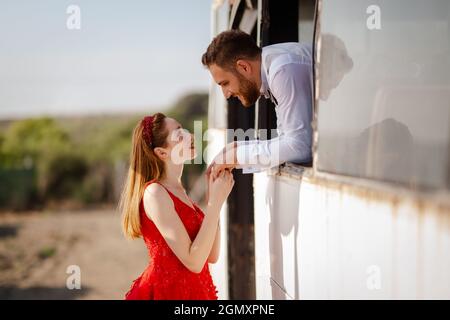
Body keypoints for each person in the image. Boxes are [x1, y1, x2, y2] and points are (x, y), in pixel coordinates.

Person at [120, 112, 234, 300]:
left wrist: (216, 199)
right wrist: (213, 205)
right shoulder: (155, 193)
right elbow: (194, 262)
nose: (190, 136)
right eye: (179, 135)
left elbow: (211, 255)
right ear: (162, 153)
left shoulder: (180, 192)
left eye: (186, 130)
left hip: (195, 292)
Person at [202, 29, 314, 177]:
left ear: (244, 67)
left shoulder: (282, 70)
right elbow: (288, 139)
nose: (226, 94)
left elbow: (300, 147)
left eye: (225, 83)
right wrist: (239, 148)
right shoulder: (270, 68)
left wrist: (237, 156)